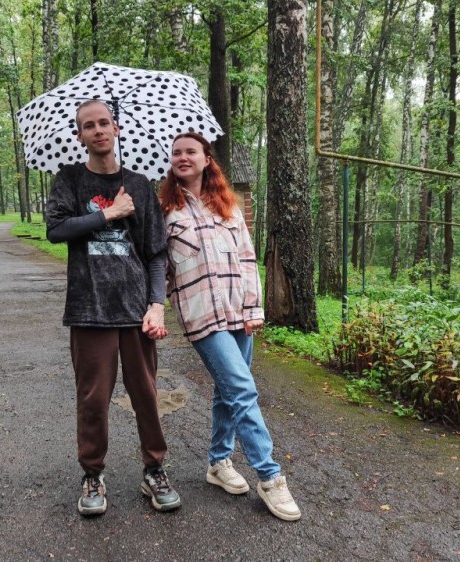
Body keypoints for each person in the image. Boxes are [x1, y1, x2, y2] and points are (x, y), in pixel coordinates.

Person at [46, 99, 180, 517]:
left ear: (116, 128)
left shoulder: (139, 185)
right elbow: (56, 230)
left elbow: (155, 253)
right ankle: (92, 474)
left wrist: (157, 304)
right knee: (93, 399)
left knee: (147, 396)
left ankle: (154, 469)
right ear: (80, 135)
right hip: (89, 308)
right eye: (89, 125)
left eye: (104, 122)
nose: (98, 130)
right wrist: (110, 213)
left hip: (136, 310)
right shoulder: (70, 179)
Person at [159, 131, 302, 522]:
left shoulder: (228, 207)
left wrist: (254, 307)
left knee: (228, 390)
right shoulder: (165, 211)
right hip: (202, 315)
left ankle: (218, 462)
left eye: (191, 151)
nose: (182, 157)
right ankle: (270, 476)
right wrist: (161, 304)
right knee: (241, 388)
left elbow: (247, 259)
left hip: (239, 310)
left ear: (207, 159)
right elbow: (158, 266)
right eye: (176, 153)